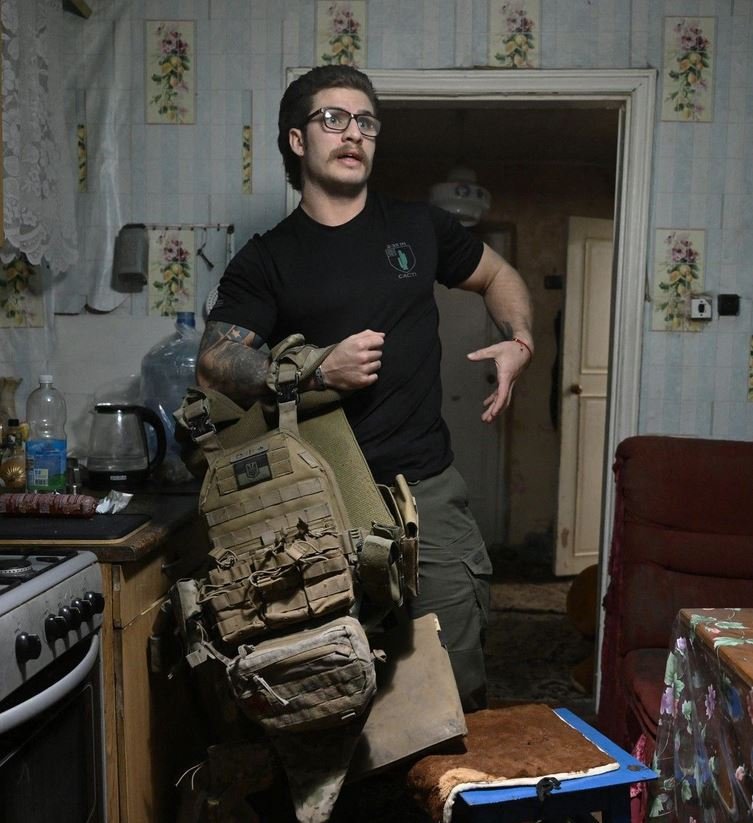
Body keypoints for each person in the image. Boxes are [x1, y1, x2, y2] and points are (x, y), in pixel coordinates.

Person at [197, 65, 533, 711]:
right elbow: (214, 361)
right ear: (297, 140)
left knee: (455, 685)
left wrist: (519, 340)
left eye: (366, 121)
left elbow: (499, 276)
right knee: (331, 692)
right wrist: (318, 369)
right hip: (317, 506)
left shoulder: (419, 227)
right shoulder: (268, 258)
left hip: (426, 496)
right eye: (333, 119)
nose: (353, 133)